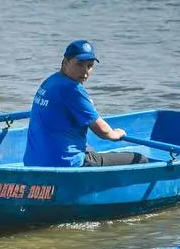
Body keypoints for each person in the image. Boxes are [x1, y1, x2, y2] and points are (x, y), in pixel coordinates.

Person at [22, 40, 150, 167]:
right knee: (139, 159)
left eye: (89, 66)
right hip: (67, 163)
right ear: (65, 62)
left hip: (33, 161)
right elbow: (103, 131)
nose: (85, 71)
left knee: (89, 148)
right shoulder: (73, 89)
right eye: (80, 64)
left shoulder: (50, 81)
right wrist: (116, 134)